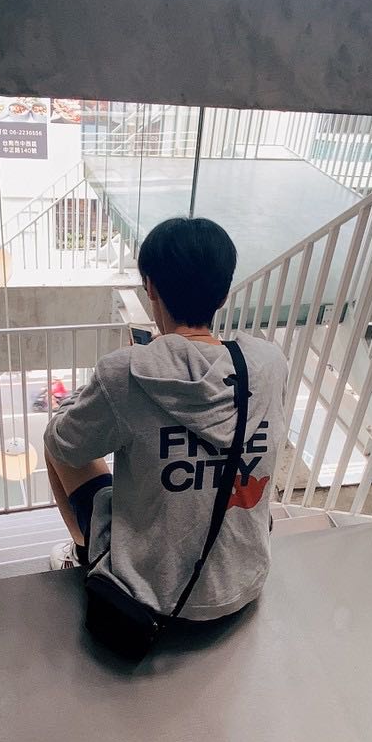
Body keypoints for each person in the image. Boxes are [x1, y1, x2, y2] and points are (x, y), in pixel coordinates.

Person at [43, 217, 289, 623]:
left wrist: (95, 393)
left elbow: (63, 442)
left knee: (54, 443)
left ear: (151, 287)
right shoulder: (269, 364)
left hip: (147, 602)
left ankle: (85, 554)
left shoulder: (126, 372)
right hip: (243, 584)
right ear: (223, 295)